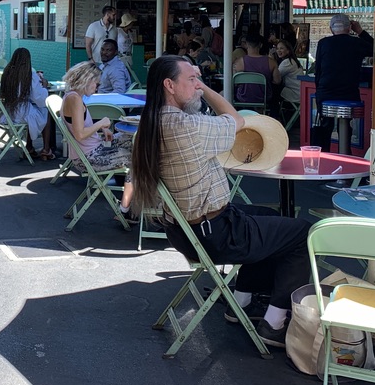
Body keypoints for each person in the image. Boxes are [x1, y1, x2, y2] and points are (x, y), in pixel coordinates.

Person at [129, 55, 311, 348]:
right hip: (216, 234)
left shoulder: (150, 123)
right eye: (191, 79)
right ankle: (274, 322)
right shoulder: (184, 125)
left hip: (185, 232)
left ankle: (242, 301)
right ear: (169, 85)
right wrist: (206, 89)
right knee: (301, 233)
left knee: (266, 216)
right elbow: (237, 120)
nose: (197, 86)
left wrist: (194, 83)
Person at [61, 61, 134, 220]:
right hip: (88, 157)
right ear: (86, 80)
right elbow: (80, 134)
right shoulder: (75, 100)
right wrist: (101, 123)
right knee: (138, 161)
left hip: (91, 150)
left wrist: (101, 128)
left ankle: (128, 192)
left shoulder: (73, 96)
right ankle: (126, 210)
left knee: (131, 141)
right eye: (96, 82)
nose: (97, 87)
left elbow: (78, 127)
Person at [310, 14, 373, 151]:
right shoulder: (357, 42)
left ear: (331, 29)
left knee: (325, 125)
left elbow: (318, 70)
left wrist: (319, 92)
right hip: (348, 92)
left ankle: (323, 156)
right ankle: (345, 153)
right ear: (350, 27)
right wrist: (360, 31)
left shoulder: (323, 43)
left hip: (326, 91)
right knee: (345, 123)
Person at [0, 47, 56, 159]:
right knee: (45, 111)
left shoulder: (7, 73)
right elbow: (38, 97)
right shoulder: (29, 75)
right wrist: (44, 85)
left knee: (34, 112)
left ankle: (29, 147)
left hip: (9, 113)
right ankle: (46, 149)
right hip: (22, 112)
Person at [233, 34, 276, 106]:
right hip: (264, 98)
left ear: (246, 44)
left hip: (243, 97)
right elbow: (277, 81)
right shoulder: (271, 62)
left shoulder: (239, 62)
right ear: (261, 45)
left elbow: (234, 81)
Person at [272, 39, 303, 113]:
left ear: (288, 51)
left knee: (272, 90)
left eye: (281, 48)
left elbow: (276, 77)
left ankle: (274, 115)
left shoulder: (287, 62)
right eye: (277, 48)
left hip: (295, 93)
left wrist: (271, 60)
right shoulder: (291, 60)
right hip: (298, 91)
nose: (279, 51)